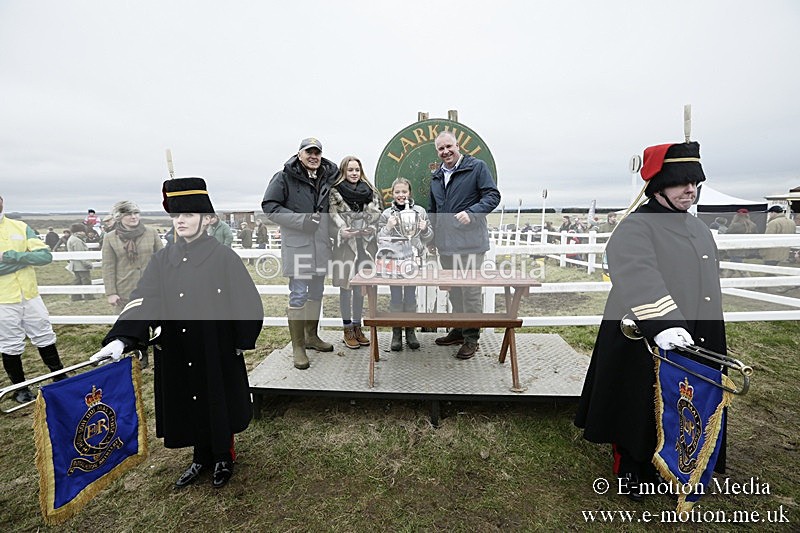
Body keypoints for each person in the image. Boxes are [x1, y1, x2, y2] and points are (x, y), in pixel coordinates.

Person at [575, 141, 728, 502]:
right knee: (639, 403)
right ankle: (633, 466)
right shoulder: (636, 226)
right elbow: (637, 274)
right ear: (658, 185)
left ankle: (677, 462)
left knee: (685, 401)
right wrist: (665, 325)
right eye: (680, 182)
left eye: (694, 182)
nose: (690, 190)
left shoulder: (699, 229)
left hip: (697, 331)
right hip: (646, 331)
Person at [89, 177, 263, 489]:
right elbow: (145, 298)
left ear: (206, 220)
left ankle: (223, 455)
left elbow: (247, 301)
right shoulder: (163, 259)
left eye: (189, 215)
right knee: (190, 399)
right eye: (176, 216)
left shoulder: (223, 257)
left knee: (215, 399)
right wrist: (122, 337)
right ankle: (200, 458)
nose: (180, 221)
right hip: (178, 347)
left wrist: (241, 340)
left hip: (214, 346)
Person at [261, 137, 339, 369]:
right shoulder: (283, 177)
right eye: (309, 152)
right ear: (299, 154)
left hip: (321, 246)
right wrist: (302, 220)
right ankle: (298, 347)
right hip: (298, 246)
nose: (314, 156)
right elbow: (270, 207)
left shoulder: (327, 177)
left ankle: (311, 337)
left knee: (317, 292)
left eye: (317, 153)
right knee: (298, 295)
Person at [429, 130, 501, 359]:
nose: (445, 151)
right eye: (441, 148)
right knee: (455, 292)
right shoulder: (436, 176)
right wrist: (431, 239)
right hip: (446, 245)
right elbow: (433, 211)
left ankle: (472, 339)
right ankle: (459, 330)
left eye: (449, 146)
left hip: (470, 244)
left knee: (470, 292)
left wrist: (472, 212)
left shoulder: (476, 167)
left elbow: (492, 196)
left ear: (457, 146)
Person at [0, 195, 67, 403]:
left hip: (29, 295)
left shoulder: (20, 226)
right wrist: (26, 261)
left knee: (45, 334)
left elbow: (45, 256)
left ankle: (59, 375)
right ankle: (20, 388)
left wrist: (13, 257)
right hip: (3, 299)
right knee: (10, 344)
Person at [329, 156, 382, 349]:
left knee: (361, 289)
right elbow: (329, 223)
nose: (354, 173)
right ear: (344, 171)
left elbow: (379, 219)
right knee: (345, 289)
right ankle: (347, 328)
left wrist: (372, 229)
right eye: (350, 170)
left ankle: (358, 327)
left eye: (357, 170)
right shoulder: (334, 194)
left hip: (366, 248)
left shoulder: (371, 193)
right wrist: (340, 232)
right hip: (345, 248)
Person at [102, 200, 163, 366]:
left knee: (159, 319)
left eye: (136, 213)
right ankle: (140, 353)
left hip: (153, 285)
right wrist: (111, 292)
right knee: (133, 322)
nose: (134, 217)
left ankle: (162, 350)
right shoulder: (110, 238)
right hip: (125, 288)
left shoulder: (151, 233)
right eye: (129, 214)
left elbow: (163, 258)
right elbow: (108, 266)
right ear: (119, 217)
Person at [377, 178, 434, 351]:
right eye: (397, 192)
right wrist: (387, 227)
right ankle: (396, 334)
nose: (401, 195)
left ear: (409, 193)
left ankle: (410, 331)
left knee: (410, 296)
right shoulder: (387, 214)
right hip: (393, 262)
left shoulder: (420, 212)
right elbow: (380, 239)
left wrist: (424, 229)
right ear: (392, 194)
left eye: (404, 192)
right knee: (395, 297)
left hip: (413, 260)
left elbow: (429, 237)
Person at [66, 223, 95, 301]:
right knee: (86, 281)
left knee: (77, 281)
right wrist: (87, 264)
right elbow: (81, 254)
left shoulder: (73, 239)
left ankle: (76, 296)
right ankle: (88, 296)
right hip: (81, 265)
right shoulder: (77, 240)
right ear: (79, 231)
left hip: (76, 265)